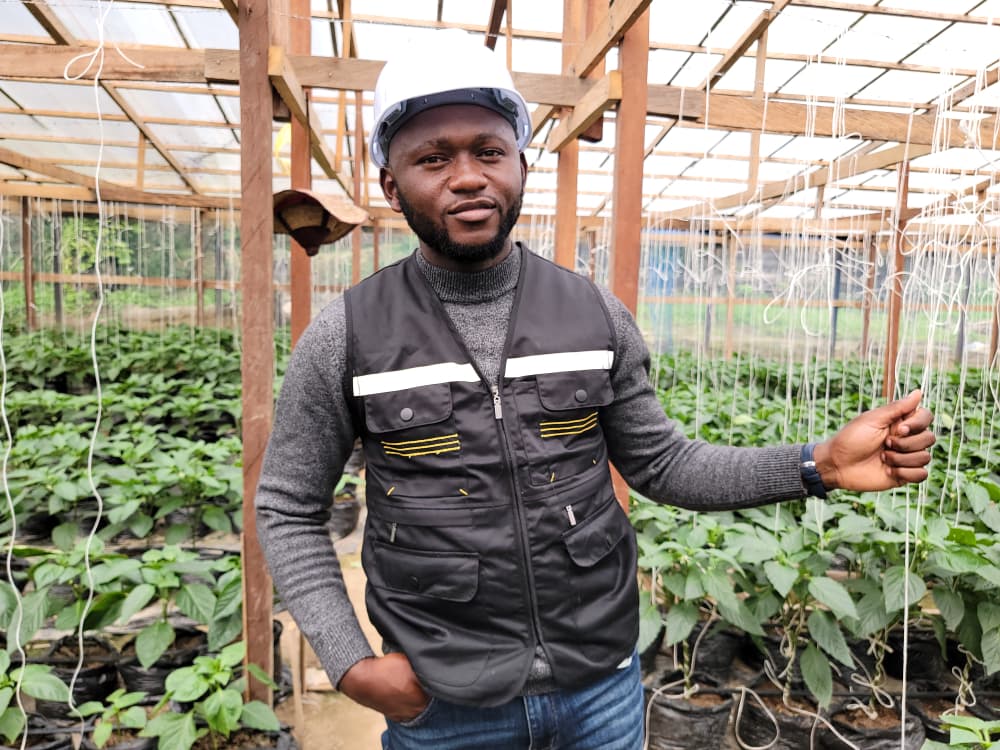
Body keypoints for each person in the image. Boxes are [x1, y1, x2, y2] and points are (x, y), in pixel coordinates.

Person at [254, 29, 935, 750]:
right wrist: (352, 662)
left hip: (600, 686)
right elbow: (290, 505)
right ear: (392, 185)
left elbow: (665, 465)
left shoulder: (591, 313)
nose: (467, 177)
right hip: (445, 701)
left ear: (520, 164)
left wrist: (816, 464)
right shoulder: (348, 334)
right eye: (432, 158)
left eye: (489, 151)